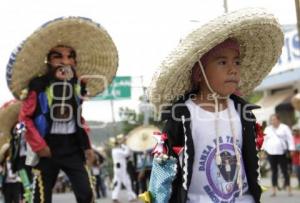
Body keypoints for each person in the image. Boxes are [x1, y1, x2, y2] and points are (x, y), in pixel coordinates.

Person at [144, 8, 284, 203]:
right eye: (222, 62)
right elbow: (164, 171)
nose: (233, 69)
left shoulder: (243, 114)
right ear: (199, 74)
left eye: (236, 61)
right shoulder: (182, 117)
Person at [6, 17, 118, 203]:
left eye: (69, 56)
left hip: (72, 148)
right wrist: (39, 146)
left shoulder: (78, 85)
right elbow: (25, 117)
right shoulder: (39, 85)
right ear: (49, 61)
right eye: (58, 56)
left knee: (86, 193)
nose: (64, 61)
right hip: (47, 147)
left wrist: (87, 147)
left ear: (74, 61)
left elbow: (78, 117)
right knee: (41, 197)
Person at [263, 114, 295, 196]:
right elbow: (264, 140)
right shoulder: (267, 129)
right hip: (271, 153)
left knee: (285, 171)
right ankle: (274, 190)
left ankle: (289, 189)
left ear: (278, 120)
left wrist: (291, 149)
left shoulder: (284, 128)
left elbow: (290, 138)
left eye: (274, 119)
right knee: (274, 171)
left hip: (282, 153)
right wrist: (263, 151)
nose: (272, 121)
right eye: (271, 120)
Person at [111, 135, 137, 203]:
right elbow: (127, 153)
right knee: (127, 182)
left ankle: (115, 197)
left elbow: (123, 148)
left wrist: (124, 142)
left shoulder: (115, 150)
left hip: (118, 168)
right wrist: (127, 144)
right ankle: (131, 197)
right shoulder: (117, 150)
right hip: (121, 168)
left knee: (117, 183)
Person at [291, 124, 300, 189]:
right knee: (297, 172)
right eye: (294, 131)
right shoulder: (291, 138)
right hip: (295, 158)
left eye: (296, 130)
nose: (295, 132)